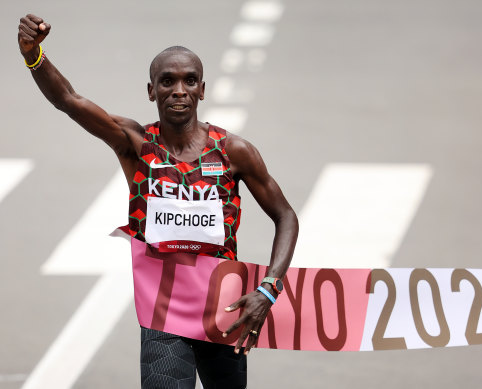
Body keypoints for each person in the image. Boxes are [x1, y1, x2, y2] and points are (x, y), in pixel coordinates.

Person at [18, 14, 299, 389]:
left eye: (189, 81)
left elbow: (285, 216)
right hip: (163, 310)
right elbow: (68, 100)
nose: (179, 90)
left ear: (202, 90)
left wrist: (268, 288)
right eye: (167, 81)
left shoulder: (234, 151)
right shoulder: (135, 144)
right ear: (151, 91)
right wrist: (34, 55)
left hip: (222, 306)